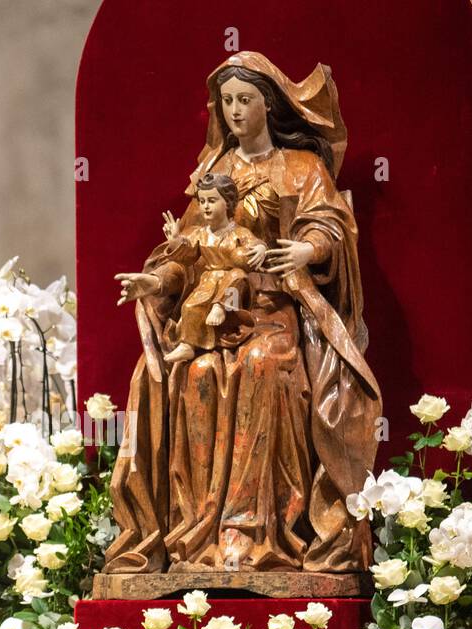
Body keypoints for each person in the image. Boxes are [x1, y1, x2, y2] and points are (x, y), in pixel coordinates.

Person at [108, 52, 382, 574]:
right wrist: (158, 279)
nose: (235, 110)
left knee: (260, 366)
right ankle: (199, 532)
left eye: (245, 100)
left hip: (277, 315)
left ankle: (252, 528)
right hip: (213, 316)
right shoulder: (214, 171)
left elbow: (331, 226)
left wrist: (308, 250)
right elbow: (189, 248)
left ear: (267, 104)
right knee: (193, 373)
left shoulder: (303, 168)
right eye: (227, 101)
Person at [160, 173, 267, 364]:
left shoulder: (239, 232)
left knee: (237, 275)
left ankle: (220, 307)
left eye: (211, 200)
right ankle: (188, 346)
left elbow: (256, 242)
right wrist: (176, 241)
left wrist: (260, 249)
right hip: (209, 284)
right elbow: (188, 254)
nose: (205, 206)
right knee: (190, 306)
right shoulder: (201, 234)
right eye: (202, 201)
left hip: (236, 294)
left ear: (227, 203)